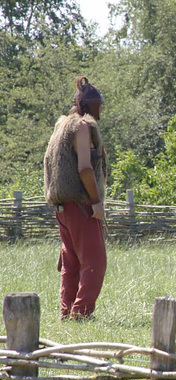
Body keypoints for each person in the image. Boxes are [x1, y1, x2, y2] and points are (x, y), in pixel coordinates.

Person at [44, 76, 107, 320]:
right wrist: (96, 202)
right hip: (80, 206)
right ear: (90, 105)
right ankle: (81, 313)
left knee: (71, 263)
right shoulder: (81, 127)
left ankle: (66, 311)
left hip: (62, 208)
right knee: (95, 262)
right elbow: (84, 168)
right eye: (98, 104)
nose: (101, 109)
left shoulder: (62, 125)